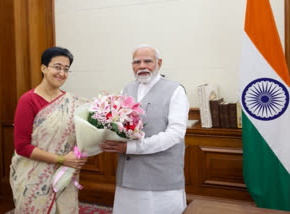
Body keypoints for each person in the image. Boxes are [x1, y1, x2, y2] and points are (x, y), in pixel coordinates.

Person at [101, 44, 190, 214]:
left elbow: (175, 135)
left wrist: (132, 148)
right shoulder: (126, 89)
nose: (142, 66)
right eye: (137, 62)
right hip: (129, 176)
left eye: (147, 61)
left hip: (160, 178)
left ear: (159, 63)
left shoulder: (175, 90)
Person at [10, 47, 87, 214]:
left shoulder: (72, 102)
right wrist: (61, 159)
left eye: (66, 69)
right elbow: (21, 146)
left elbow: (81, 137)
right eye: (57, 67)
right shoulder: (28, 100)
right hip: (34, 176)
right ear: (43, 68)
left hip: (64, 174)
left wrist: (75, 159)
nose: (62, 73)